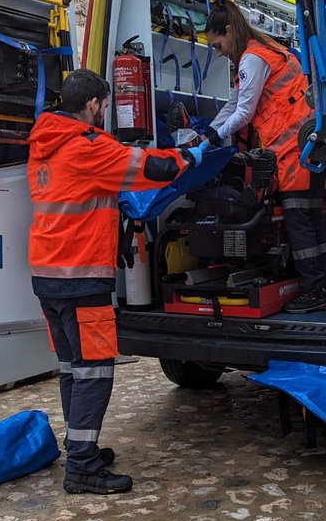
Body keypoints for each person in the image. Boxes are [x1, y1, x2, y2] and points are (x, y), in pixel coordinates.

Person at [27, 68, 205, 495]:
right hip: (81, 277)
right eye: (104, 105)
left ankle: (80, 450)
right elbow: (156, 168)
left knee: (73, 369)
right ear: (93, 105)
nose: (104, 113)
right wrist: (193, 153)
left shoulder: (43, 144)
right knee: (94, 372)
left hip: (47, 275)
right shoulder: (86, 149)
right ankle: (83, 468)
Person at [203, 0, 326, 312]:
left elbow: (245, 113)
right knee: (314, 220)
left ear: (229, 30)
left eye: (217, 44)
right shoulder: (264, 50)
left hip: (292, 151)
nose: (218, 51)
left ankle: (315, 289)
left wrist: (214, 137)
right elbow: (234, 104)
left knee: (298, 223)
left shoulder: (252, 59)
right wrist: (206, 133)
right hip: (309, 145)